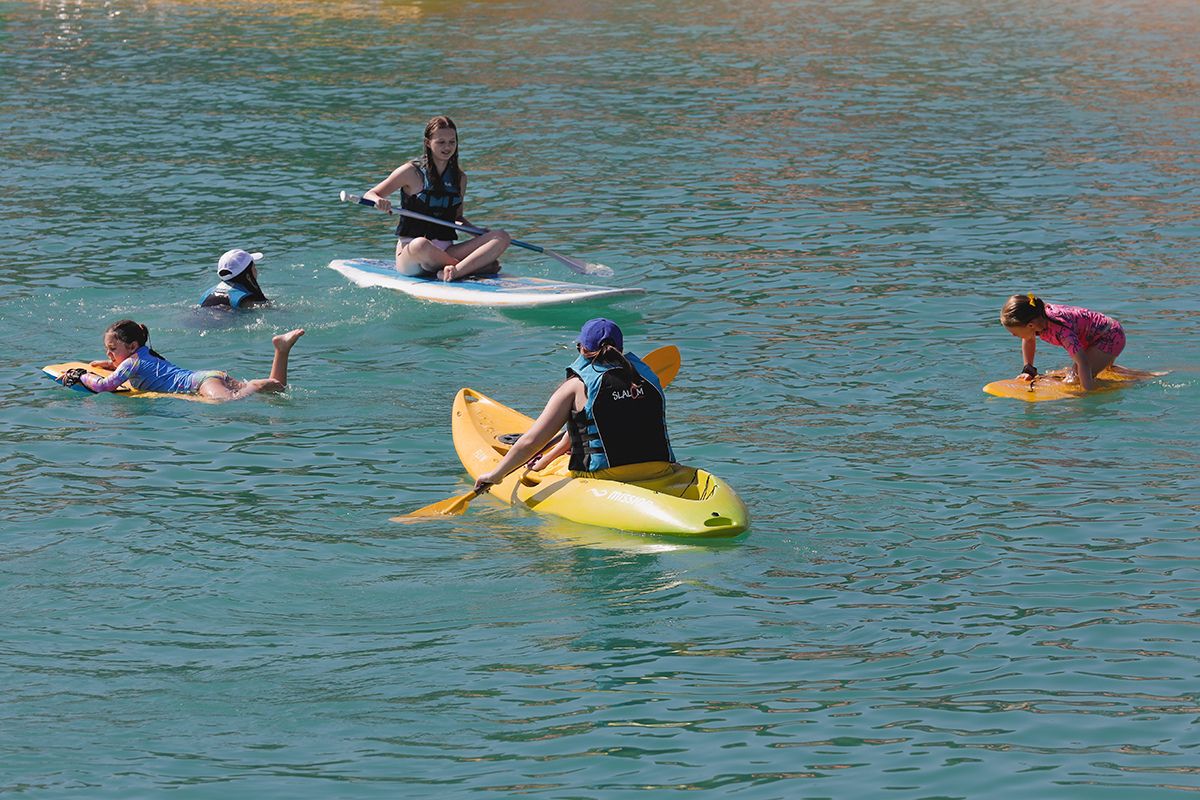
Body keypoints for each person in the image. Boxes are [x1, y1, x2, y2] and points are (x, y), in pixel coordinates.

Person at [473, 319, 674, 494]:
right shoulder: (647, 376)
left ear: (582, 349)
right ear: (620, 349)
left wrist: (496, 475)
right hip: (662, 469)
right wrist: (548, 457)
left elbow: (531, 442)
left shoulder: (575, 387)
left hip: (605, 476)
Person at [363, 115, 511, 281]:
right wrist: (378, 201)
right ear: (428, 143)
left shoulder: (459, 178)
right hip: (413, 254)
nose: (447, 147)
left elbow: (457, 217)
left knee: (502, 236)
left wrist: (475, 231)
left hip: (446, 251)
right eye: (441, 142)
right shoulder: (410, 172)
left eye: (452, 142)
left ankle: (456, 270)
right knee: (421, 244)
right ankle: (466, 268)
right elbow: (370, 194)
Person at [59, 319, 304, 402]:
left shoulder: (130, 363)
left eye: (112, 349)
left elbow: (105, 386)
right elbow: (137, 369)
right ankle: (281, 350)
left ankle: (258, 382)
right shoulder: (143, 355)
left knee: (227, 403)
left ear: (132, 346)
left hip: (201, 385)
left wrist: (81, 375)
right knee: (277, 389)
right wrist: (110, 364)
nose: (109, 355)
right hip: (208, 377)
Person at [1000, 293, 1127, 391]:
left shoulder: (1060, 330)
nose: (1012, 335)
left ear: (1030, 325)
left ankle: (1128, 384)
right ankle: (1129, 374)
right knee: (1073, 373)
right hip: (1098, 334)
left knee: (1074, 380)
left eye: (1014, 332)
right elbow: (1028, 339)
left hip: (1109, 337)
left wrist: (1087, 394)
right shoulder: (1038, 319)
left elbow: (1083, 362)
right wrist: (1028, 370)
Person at [199, 249, 270, 309]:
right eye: (254, 267)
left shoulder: (209, 293)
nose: (257, 270)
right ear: (248, 276)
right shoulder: (248, 302)